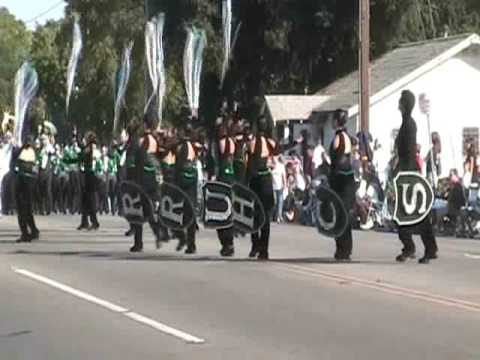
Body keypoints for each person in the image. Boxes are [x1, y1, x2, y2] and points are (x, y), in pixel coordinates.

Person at [395, 90, 438, 264]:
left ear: (405, 104)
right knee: (404, 213)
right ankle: (409, 247)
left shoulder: (410, 124)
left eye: (400, 102)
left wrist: (404, 170)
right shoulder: (405, 123)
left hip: (410, 174)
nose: (398, 104)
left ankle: (430, 248)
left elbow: (410, 152)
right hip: (405, 172)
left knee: (419, 213)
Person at [247, 117, 277, 260]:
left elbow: (250, 165)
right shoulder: (269, 142)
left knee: (255, 215)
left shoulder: (253, 142)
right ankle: (264, 249)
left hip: (257, 180)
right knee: (265, 217)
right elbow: (279, 149)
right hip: (266, 180)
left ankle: (255, 245)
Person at [329, 109, 356, 261]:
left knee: (341, 215)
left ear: (336, 121)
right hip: (344, 179)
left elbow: (338, 162)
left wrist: (331, 176)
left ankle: (344, 249)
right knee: (341, 214)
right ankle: (343, 248)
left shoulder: (340, 137)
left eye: (333, 119)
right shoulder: (344, 136)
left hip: (342, 181)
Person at [13, 136, 40, 242]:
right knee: (27, 208)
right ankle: (33, 230)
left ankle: (25, 232)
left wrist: (20, 147)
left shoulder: (25, 152)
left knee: (22, 208)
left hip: (24, 181)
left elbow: (16, 157)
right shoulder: (32, 151)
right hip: (29, 181)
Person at [271, 155, 286, 223]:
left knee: (280, 202)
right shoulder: (270, 166)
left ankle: (279, 216)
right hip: (272, 186)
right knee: (274, 201)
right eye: (272, 158)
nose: (273, 159)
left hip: (280, 186)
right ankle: (273, 215)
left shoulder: (281, 166)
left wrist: (285, 184)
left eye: (275, 157)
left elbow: (283, 176)